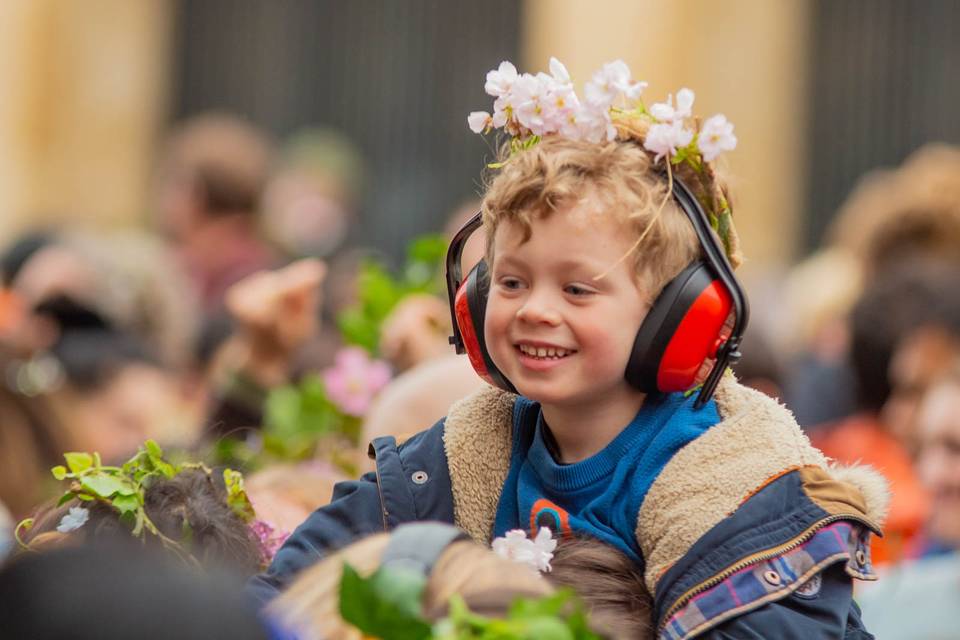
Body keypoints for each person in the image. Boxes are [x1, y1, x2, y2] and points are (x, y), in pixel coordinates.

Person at [251, 59, 886, 638]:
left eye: (578, 289)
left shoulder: (746, 500)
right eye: (511, 281)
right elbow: (280, 592)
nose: (534, 309)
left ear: (679, 318)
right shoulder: (460, 456)